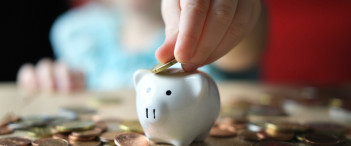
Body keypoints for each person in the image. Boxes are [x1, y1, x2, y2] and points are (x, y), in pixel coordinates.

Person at [17, 0, 266, 92]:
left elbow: (244, 44)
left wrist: (236, 9)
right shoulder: (79, 32)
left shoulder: (206, 28)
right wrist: (51, 81)